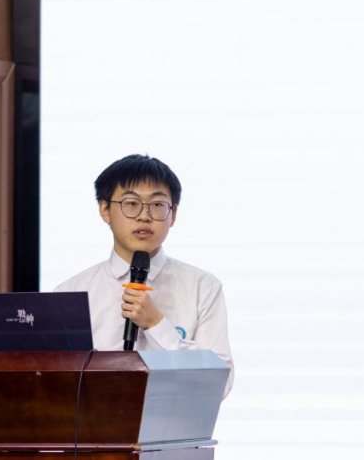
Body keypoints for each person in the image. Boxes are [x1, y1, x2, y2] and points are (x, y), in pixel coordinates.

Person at [55, 154, 234, 397]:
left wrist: (157, 325)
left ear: (173, 214)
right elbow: (57, 384)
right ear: (105, 210)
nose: (144, 216)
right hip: (96, 422)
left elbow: (220, 384)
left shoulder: (203, 287)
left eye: (157, 205)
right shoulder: (71, 293)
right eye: (131, 203)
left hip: (173, 422)